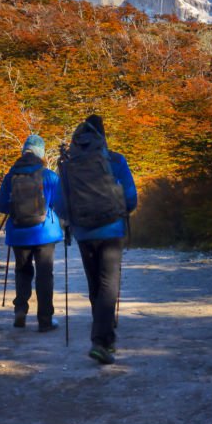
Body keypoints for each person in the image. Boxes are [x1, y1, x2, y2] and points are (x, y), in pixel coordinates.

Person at [58, 114, 137, 365]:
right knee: (108, 284)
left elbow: (59, 203)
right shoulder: (115, 160)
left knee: (95, 283)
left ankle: (103, 334)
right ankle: (102, 340)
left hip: (84, 231)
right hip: (112, 230)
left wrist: (74, 220)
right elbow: (131, 197)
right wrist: (123, 212)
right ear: (102, 136)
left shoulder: (69, 163)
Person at [0, 134, 63, 331]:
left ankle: (20, 310)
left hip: (19, 232)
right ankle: (45, 320)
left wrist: (14, 207)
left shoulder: (11, 176)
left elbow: (1, 205)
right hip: (45, 233)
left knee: (22, 271)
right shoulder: (49, 176)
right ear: (41, 153)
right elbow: (60, 204)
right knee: (45, 275)